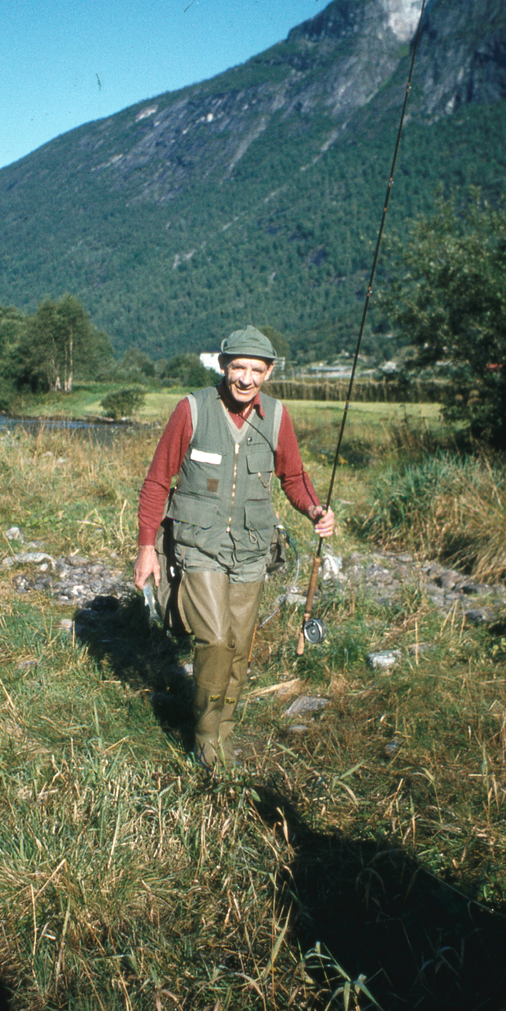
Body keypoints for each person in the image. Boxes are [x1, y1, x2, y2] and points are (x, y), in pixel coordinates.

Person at [133, 325, 334, 768]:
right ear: (223, 366)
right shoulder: (192, 410)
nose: (245, 379)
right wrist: (147, 547)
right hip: (198, 547)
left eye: (255, 370)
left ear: (269, 372)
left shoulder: (277, 418)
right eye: (237, 367)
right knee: (216, 639)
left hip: (252, 550)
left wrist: (316, 510)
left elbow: (294, 479)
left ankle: (224, 735)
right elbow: (156, 482)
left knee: (240, 647)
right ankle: (205, 740)